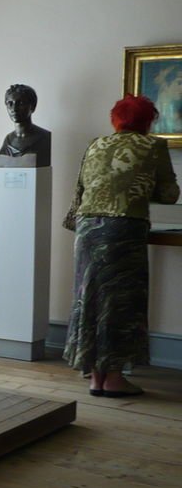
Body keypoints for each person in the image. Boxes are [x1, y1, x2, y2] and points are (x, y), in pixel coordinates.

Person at [62, 94, 179, 397]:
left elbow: (81, 190)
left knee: (89, 298)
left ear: (116, 119)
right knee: (121, 302)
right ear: (147, 121)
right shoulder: (153, 146)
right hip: (124, 229)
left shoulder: (96, 144)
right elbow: (169, 195)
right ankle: (113, 379)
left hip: (87, 230)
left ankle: (94, 377)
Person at [0, 84, 51, 167]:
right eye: (10, 103)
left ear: (32, 106)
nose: (14, 109)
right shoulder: (8, 140)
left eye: (21, 103)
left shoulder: (45, 137)